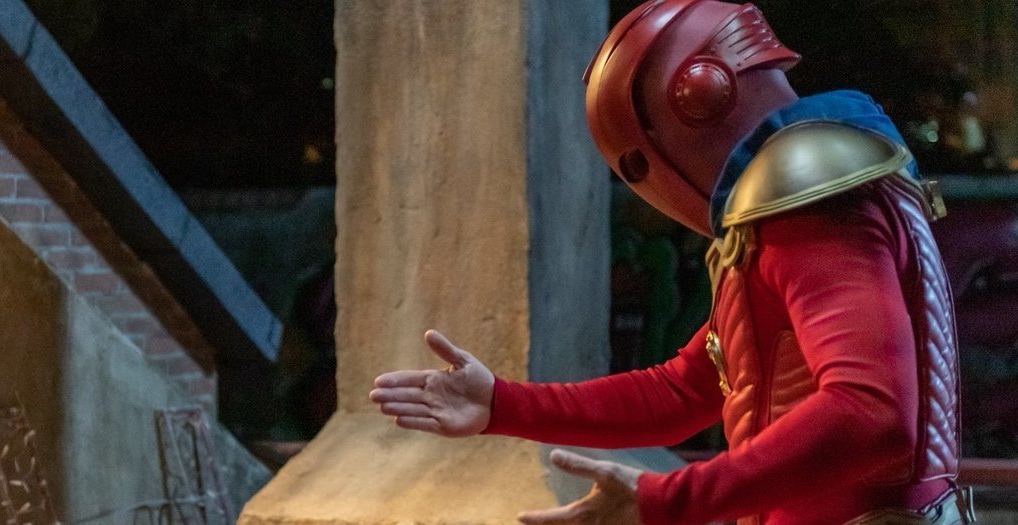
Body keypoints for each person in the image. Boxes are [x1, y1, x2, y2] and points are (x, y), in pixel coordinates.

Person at [369, 1, 969, 524]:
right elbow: (686, 391)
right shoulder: (807, 201)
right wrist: (502, 403)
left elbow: (869, 413)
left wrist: (670, 500)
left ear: (699, 99)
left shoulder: (811, 203)